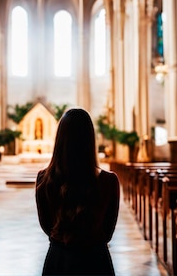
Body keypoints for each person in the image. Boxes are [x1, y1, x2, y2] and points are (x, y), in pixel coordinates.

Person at [35, 108, 120, 275]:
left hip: (59, 260)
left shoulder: (44, 178)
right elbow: (108, 231)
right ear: (90, 140)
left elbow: (46, 225)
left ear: (59, 139)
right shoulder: (109, 181)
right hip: (95, 260)